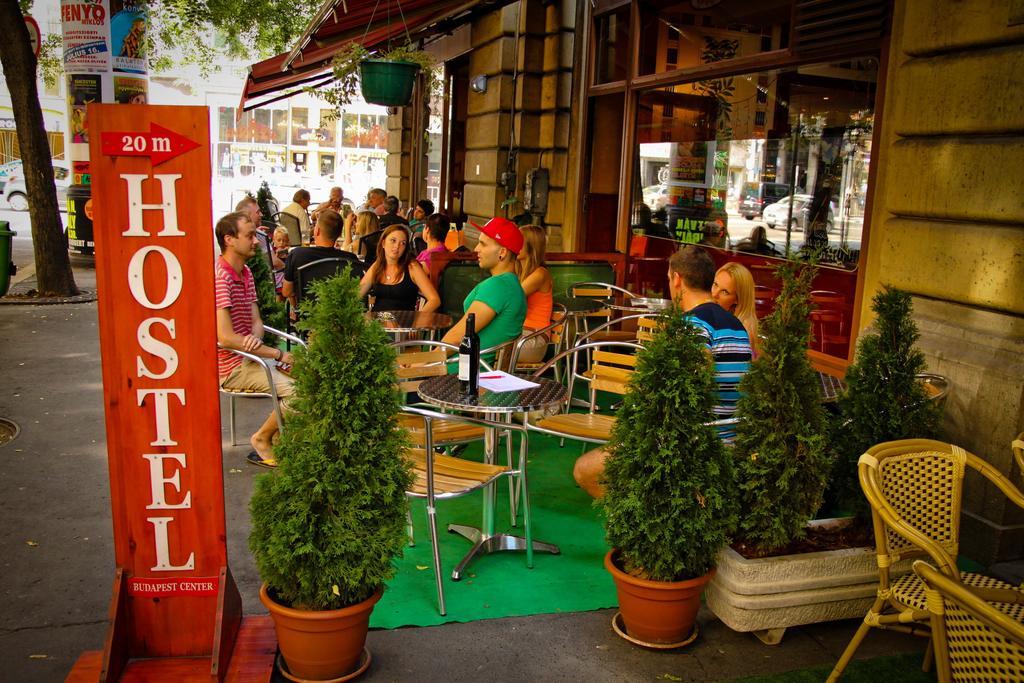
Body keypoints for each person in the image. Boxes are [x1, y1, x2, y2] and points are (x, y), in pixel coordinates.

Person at [573, 245, 752, 498]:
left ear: (677, 279)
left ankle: (638, 522)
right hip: (730, 435)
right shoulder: (736, 326)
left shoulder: (691, 326)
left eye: (669, 278)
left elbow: (694, 376)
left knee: (585, 469)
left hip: (697, 442)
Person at [214, 211, 294, 469]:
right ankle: (262, 438)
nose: (257, 241)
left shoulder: (245, 272)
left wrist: (253, 340)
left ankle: (280, 442)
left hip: (250, 356)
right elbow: (225, 337)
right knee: (298, 392)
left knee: (309, 379)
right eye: (249, 236)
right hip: (231, 367)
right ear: (229, 239)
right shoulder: (220, 277)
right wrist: (278, 354)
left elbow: (256, 322)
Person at [441, 217, 526, 364]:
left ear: (502, 252)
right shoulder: (512, 285)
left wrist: (425, 362)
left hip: (462, 373)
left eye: (483, 244)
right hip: (480, 372)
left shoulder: (498, 286)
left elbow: (457, 337)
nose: (476, 249)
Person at [282, 210, 363, 313]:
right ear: (338, 235)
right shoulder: (350, 259)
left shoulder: (297, 254)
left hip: (307, 318)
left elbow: (286, 292)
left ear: (317, 231)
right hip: (342, 318)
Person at [359, 225, 440, 312]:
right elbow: (357, 294)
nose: (397, 246)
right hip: (377, 323)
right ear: (383, 243)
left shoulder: (412, 267)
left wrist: (417, 319)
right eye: (393, 241)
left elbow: (435, 300)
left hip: (403, 323)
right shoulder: (378, 265)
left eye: (403, 243)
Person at [515, 225, 554, 364]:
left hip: (534, 339)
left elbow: (511, 298)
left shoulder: (540, 274)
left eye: (519, 241)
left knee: (489, 343)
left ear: (531, 246)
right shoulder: (520, 271)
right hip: (521, 335)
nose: (514, 244)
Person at [713, 262, 760, 357]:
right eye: (715, 285)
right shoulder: (716, 315)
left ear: (737, 299)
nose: (714, 294)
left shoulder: (741, 333)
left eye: (725, 292)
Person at [271, 226, 290, 296]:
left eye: (284, 240)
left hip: (285, 279)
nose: (281, 243)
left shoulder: (287, 250)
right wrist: (277, 255)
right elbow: (273, 262)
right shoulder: (272, 251)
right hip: (278, 280)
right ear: (274, 240)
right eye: (279, 240)